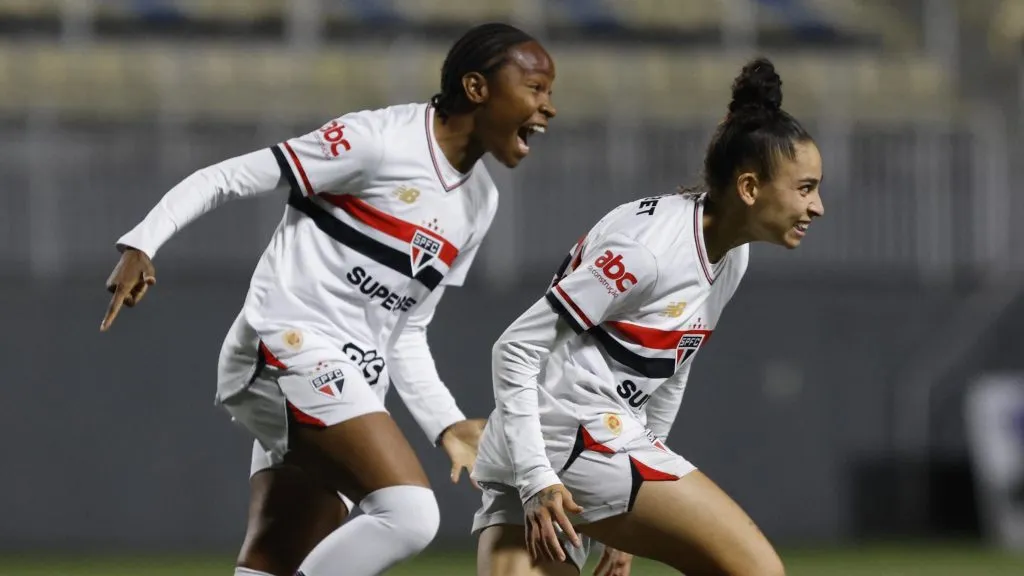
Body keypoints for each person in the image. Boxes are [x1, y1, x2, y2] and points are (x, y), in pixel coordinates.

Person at [99, 22, 557, 576]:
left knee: (274, 559)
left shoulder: (479, 203)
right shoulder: (378, 140)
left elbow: (405, 330)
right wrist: (142, 242)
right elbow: (227, 176)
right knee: (409, 513)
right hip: (285, 345)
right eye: (536, 88)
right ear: (478, 88)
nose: (547, 107)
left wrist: (446, 424)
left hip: (350, 379)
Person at [471, 57, 825, 576]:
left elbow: (671, 368)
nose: (817, 206)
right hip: (566, 437)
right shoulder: (651, 252)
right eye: (805, 188)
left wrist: (633, 509)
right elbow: (516, 347)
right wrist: (537, 478)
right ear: (749, 188)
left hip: (538, 438)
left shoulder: (729, 252)